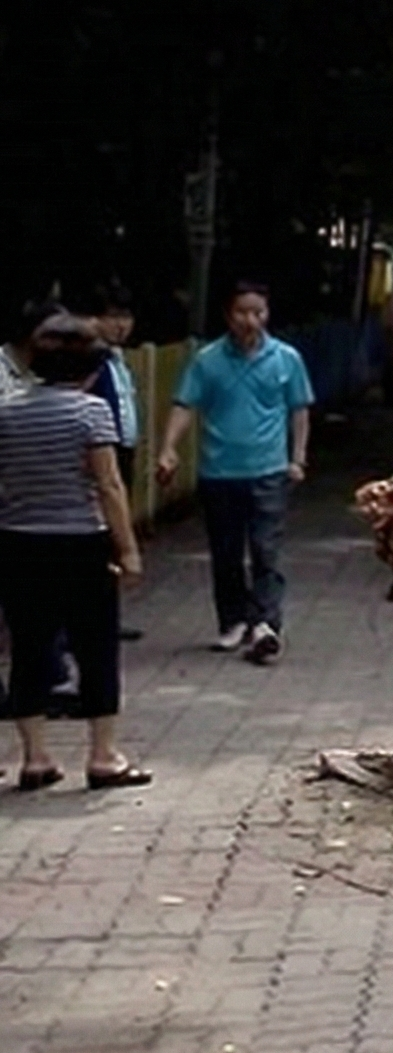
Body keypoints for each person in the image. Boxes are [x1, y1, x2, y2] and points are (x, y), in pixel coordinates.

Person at [0, 314, 150, 790]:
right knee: (96, 646)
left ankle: (35, 758)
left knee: (29, 646)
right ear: (88, 369)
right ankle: (103, 756)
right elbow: (107, 484)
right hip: (82, 542)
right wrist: (128, 550)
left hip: (19, 541)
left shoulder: (7, 411)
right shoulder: (91, 413)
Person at [155, 281, 313, 666]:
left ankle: (265, 625)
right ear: (228, 315)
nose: (250, 320)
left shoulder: (285, 358)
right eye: (242, 312)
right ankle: (233, 620)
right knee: (225, 553)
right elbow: (184, 404)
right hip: (220, 470)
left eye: (258, 312)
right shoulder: (208, 360)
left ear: (267, 314)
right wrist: (168, 448)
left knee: (265, 549)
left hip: (269, 470)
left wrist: (298, 457)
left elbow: (299, 409)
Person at [82, 283, 145, 640]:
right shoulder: (89, 363)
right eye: (112, 317)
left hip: (122, 449)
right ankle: (95, 620)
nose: (121, 325)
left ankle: (108, 615)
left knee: (116, 528)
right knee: (104, 534)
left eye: (126, 317)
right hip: (99, 452)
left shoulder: (119, 361)